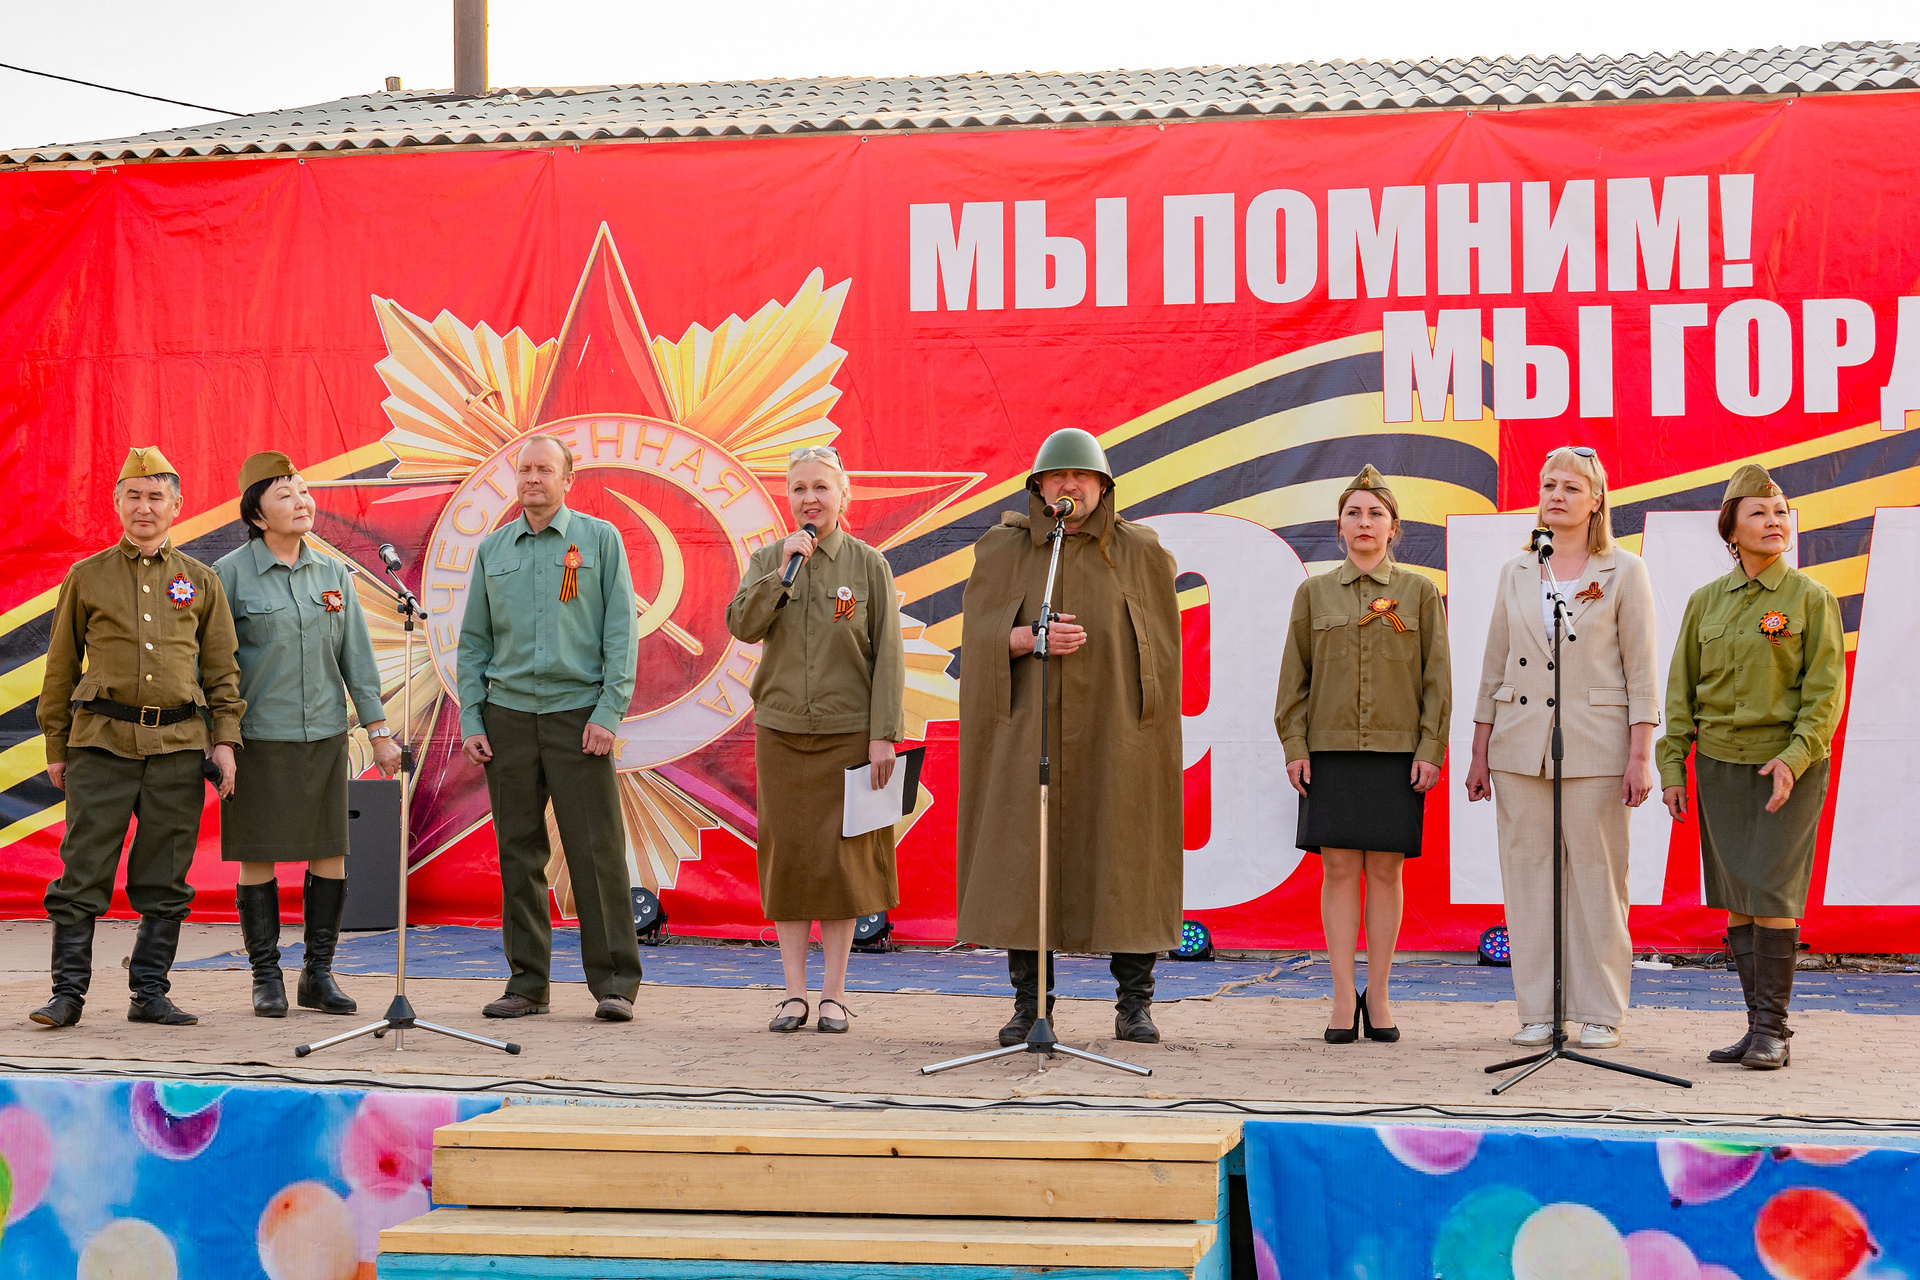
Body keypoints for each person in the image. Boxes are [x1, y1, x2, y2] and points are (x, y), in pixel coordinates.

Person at [955, 428, 1182, 1046]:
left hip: (1117, 734)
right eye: (1057, 477)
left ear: (1103, 487)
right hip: (1032, 733)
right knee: (1027, 859)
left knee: (1128, 858)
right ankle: (1031, 1006)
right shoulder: (1004, 551)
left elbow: (1162, 652)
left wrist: (1146, 729)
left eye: (1081, 477)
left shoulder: (1140, 552)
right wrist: (1025, 638)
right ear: (1038, 488)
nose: (1069, 486)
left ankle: (1134, 1005)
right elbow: (975, 641)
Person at [32, 446, 245, 1028]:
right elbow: (60, 667)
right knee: (83, 869)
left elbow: (222, 672)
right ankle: (66, 996)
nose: (144, 507)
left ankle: (149, 994)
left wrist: (224, 742)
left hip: (178, 749)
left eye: (155, 497)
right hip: (100, 745)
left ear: (177, 505)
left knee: (165, 874)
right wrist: (56, 746)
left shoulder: (200, 581)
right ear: (117, 503)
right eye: (134, 496)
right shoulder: (88, 577)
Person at [1464, 447, 1658, 1051]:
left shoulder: (1624, 570)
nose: (1557, 495)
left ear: (1596, 499)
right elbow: (1494, 665)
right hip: (1519, 744)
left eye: (1572, 487)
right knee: (1527, 878)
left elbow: (1641, 671)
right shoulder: (1518, 571)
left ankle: (1600, 1011)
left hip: (1597, 745)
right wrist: (1479, 750)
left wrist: (1640, 754)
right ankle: (1539, 1011)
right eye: (1549, 485)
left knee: (1599, 878)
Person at [1659, 463, 1844, 1071]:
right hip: (1719, 766)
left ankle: (1774, 1030)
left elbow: (1825, 696)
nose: (1774, 521)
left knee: (1772, 892)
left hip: (1785, 768)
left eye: (1781, 512)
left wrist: (1795, 757)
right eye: (1759, 513)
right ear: (1731, 530)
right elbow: (1681, 692)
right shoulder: (1705, 602)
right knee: (1737, 896)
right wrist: (1672, 766)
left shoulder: (1811, 599)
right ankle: (1755, 1027)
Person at [457, 434, 644, 1023]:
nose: (533, 479)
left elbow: (621, 633)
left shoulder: (600, 540)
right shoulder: (493, 549)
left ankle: (615, 984)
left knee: (595, 852)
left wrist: (608, 713)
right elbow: (474, 643)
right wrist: (472, 716)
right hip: (507, 718)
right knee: (518, 852)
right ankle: (527, 984)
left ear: (568, 479)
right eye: (525, 470)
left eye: (545, 469)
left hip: (577, 717)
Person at [214, 451, 404, 1018]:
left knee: (330, 853)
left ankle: (318, 974)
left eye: (302, 490)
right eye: (285, 494)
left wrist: (378, 732)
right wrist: (220, 739)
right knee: (259, 854)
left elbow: (357, 660)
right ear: (256, 514)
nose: (301, 501)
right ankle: (266, 976)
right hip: (257, 739)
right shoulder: (228, 575)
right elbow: (214, 666)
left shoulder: (333, 574)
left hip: (324, 736)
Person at [724, 445, 906, 1034]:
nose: (810, 499)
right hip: (781, 732)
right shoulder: (769, 560)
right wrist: (780, 573)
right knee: (788, 861)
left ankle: (833, 995)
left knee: (840, 864)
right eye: (799, 488)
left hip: (847, 733)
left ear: (842, 495)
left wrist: (883, 736)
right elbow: (742, 625)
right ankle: (793, 994)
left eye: (821, 488)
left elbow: (888, 655)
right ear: (788, 497)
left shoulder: (868, 565)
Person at [1274, 465, 1449, 1045]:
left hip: (1398, 751)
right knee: (1339, 868)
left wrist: (1430, 747)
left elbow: (1437, 679)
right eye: (1354, 513)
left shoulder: (1419, 593)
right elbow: (1294, 678)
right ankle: (1342, 995)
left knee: (1386, 869)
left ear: (1394, 528)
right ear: (1340, 526)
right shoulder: (1314, 592)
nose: (1365, 522)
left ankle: (1379, 994)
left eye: (1376, 514)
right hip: (1330, 750)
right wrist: (1295, 745)